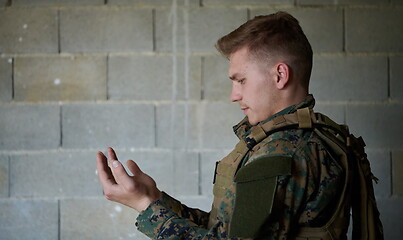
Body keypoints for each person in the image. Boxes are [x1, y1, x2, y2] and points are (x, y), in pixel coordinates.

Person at [96, 11, 378, 239]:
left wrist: (144, 207)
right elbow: (226, 229)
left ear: (280, 75)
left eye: (240, 80)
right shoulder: (308, 140)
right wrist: (155, 198)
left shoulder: (283, 153)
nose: (234, 96)